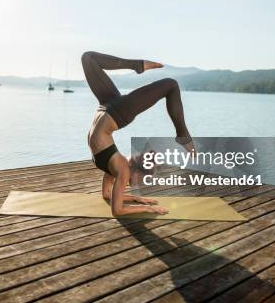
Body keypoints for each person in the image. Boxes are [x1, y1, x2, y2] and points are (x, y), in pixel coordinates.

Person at [82, 51, 195, 216]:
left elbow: (107, 195)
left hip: (106, 107)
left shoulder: (115, 168)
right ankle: (182, 135)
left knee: (88, 58)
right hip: (117, 112)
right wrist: (149, 208)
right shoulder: (121, 169)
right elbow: (118, 210)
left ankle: (138, 65)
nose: (134, 185)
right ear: (136, 171)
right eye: (139, 181)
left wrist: (136, 199)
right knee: (171, 85)